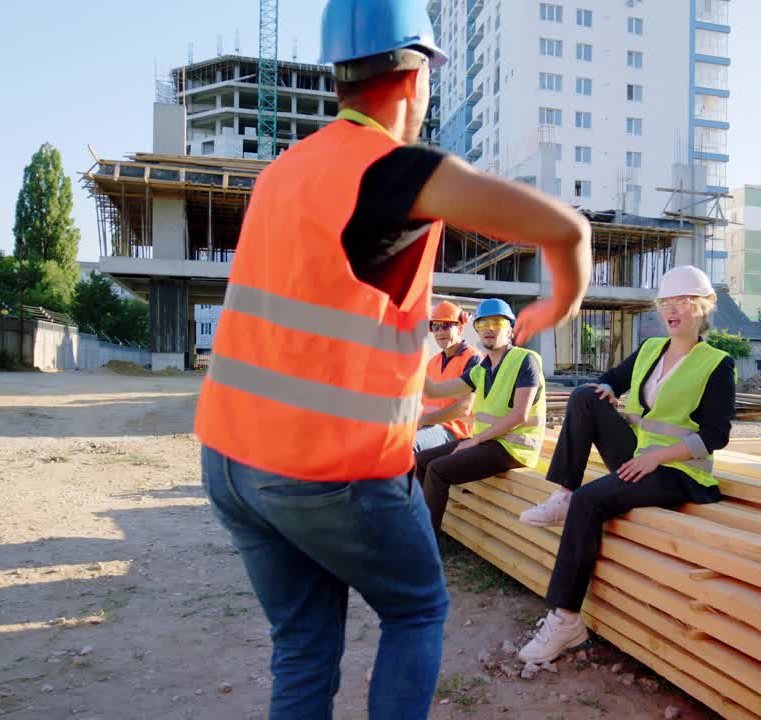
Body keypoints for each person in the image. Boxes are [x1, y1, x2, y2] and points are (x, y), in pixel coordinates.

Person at [192, 0, 592, 715]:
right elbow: (565, 228)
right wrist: (560, 295)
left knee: (303, 645)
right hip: (325, 470)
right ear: (417, 79)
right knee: (415, 611)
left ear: (339, 76)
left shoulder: (286, 170)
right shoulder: (392, 171)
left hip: (229, 460)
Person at [514, 266, 735, 664]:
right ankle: (562, 494)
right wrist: (607, 391)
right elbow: (611, 380)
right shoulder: (651, 349)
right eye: (666, 302)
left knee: (590, 502)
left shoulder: (716, 364)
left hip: (679, 472)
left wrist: (656, 458)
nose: (671, 310)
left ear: (703, 307)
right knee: (584, 395)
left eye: (682, 301)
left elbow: (715, 436)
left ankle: (566, 621)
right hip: (639, 457)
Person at [417, 298, 547, 532]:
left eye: (497, 323)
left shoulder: (525, 360)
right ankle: (416, 529)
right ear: (476, 329)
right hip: (488, 442)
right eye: (483, 324)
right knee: (420, 461)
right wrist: (409, 359)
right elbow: (434, 391)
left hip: (513, 448)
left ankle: (424, 546)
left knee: (437, 470)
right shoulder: (482, 369)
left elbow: (519, 414)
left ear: (510, 328)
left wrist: (474, 441)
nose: (489, 328)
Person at [414, 301, 481, 453]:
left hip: (456, 431)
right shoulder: (433, 362)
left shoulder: (473, 359)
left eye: (446, 326)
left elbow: (464, 408)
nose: (440, 332)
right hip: (428, 427)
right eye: (436, 327)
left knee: (408, 446)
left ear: (460, 328)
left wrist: (425, 420)